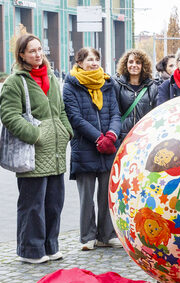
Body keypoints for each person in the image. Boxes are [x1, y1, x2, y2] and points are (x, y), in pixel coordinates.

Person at [0, 34, 73, 263]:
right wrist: (35, 135)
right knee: (32, 205)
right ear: (21, 54)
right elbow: (9, 115)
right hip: (32, 153)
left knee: (54, 202)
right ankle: (31, 250)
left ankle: (50, 246)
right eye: (32, 51)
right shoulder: (15, 81)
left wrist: (66, 131)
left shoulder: (51, 76)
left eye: (40, 49)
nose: (38, 54)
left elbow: (60, 110)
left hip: (55, 152)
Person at [63, 47, 121, 251]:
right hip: (85, 147)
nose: (94, 62)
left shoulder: (107, 83)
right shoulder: (71, 85)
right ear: (79, 62)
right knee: (86, 197)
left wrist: (112, 135)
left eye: (96, 58)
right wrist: (98, 138)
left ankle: (106, 235)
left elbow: (115, 112)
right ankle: (87, 236)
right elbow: (75, 118)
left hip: (108, 147)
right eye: (89, 59)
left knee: (106, 194)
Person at [113, 49, 159, 137]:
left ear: (143, 66)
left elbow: (155, 113)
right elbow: (114, 114)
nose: (134, 65)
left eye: (138, 62)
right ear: (126, 65)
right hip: (123, 137)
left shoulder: (152, 87)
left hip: (144, 136)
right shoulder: (117, 85)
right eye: (131, 62)